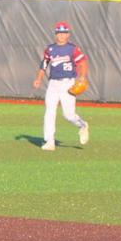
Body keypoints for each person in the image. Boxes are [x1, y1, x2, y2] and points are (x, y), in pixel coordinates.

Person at [31, 21, 90, 151]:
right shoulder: (50, 49)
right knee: (49, 111)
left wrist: (81, 77)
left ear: (68, 34)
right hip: (53, 83)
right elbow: (44, 65)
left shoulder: (72, 49)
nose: (61, 35)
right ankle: (49, 141)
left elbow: (82, 63)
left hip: (68, 83)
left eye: (64, 33)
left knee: (68, 114)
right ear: (56, 34)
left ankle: (82, 125)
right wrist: (38, 79)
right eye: (59, 33)